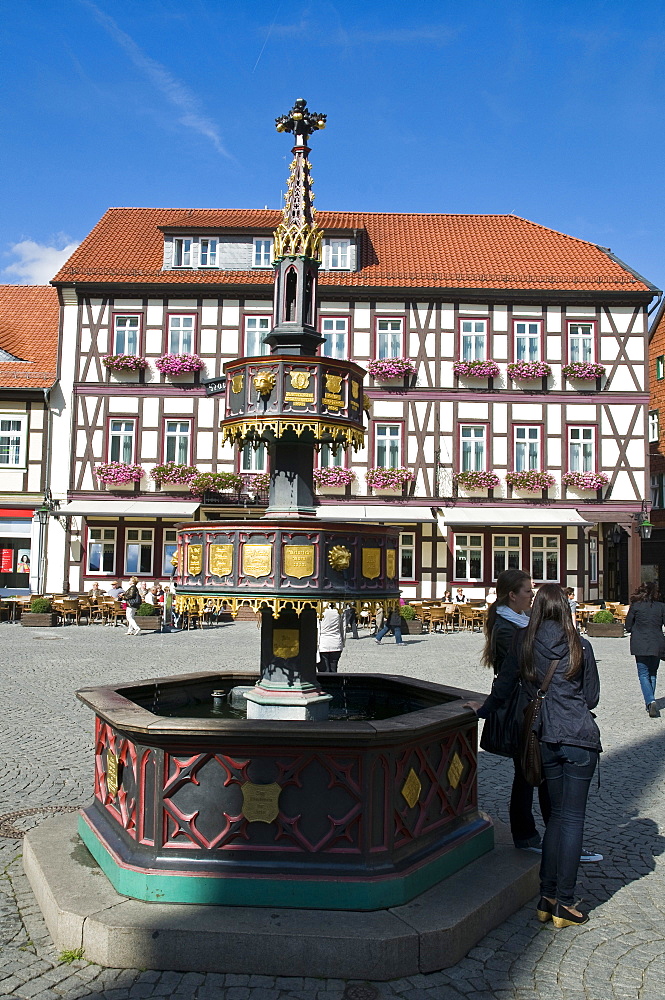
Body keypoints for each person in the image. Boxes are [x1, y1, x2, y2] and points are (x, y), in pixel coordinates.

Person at [510, 583, 601, 928]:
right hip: (578, 737)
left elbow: (520, 686)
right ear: (566, 608)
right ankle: (564, 900)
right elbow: (591, 697)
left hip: (544, 736)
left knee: (557, 817)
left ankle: (546, 897)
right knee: (572, 819)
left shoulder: (526, 645)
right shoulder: (581, 645)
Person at [471, 569, 551, 851]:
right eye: (528, 591)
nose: (532, 595)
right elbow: (513, 672)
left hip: (527, 703)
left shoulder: (521, 621)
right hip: (520, 707)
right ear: (512, 595)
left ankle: (533, 833)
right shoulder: (507, 628)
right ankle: (527, 834)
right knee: (528, 770)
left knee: (529, 771)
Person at [624, 581, 665, 718]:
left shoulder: (636, 606)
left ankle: (650, 701)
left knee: (643, 673)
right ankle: (651, 700)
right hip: (657, 642)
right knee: (653, 673)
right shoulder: (661, 607)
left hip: (640, 643)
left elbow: (628, 626)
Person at [317, 604, 345, 672]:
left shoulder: (320, 610)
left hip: (323, 643)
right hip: (336, 642)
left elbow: (317, 629)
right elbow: (343, 628)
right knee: (333, 668)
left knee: (324, 670)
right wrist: (342, 643)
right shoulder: (339, 609)